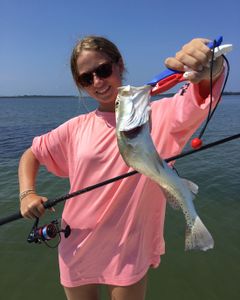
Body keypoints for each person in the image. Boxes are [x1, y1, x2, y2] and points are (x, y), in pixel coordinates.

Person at [18, 35, 224, 300]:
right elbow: (31, 154)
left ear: (119, 65)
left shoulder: (158, 116)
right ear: (80, 84)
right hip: (76, 243)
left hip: (129, 246)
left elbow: (199, 96)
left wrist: (211, 69)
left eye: (103, 70)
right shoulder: (74, 128)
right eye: (86, 78)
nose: (98, 82)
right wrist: (27, 193)